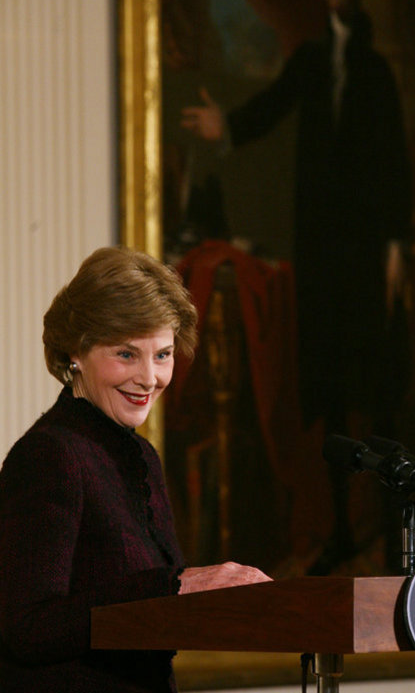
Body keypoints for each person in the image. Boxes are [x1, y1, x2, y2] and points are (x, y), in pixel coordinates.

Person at [181, 0, 412, 572]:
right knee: (330, 390)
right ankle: (340, 525)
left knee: (380, 389)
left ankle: (396, 536)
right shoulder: (310, 59)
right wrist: (225, 125)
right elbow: (271, 106)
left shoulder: (375, 71)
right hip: (322, 256)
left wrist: (395, 244)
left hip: (368, 258)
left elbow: (394, 164)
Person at [0, 246, 270, 692]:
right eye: (127, 354)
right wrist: (176, 584)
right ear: (76, 352)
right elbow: (27, 628)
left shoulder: (143, 458)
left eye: (162, 355)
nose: (149, 377)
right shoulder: (50, 455)